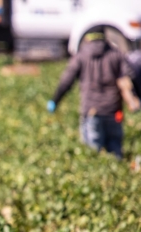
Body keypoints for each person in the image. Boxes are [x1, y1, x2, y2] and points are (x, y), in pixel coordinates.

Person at [47, 26, 139, 160]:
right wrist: (137, 97)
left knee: (93, 156)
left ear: (87, 37)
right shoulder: (116, 54)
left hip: (92, 111)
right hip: (114, 112)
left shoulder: (81, 56)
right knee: (115, 154)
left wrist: (55, 100)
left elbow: (66, 81)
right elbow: (131, 76)